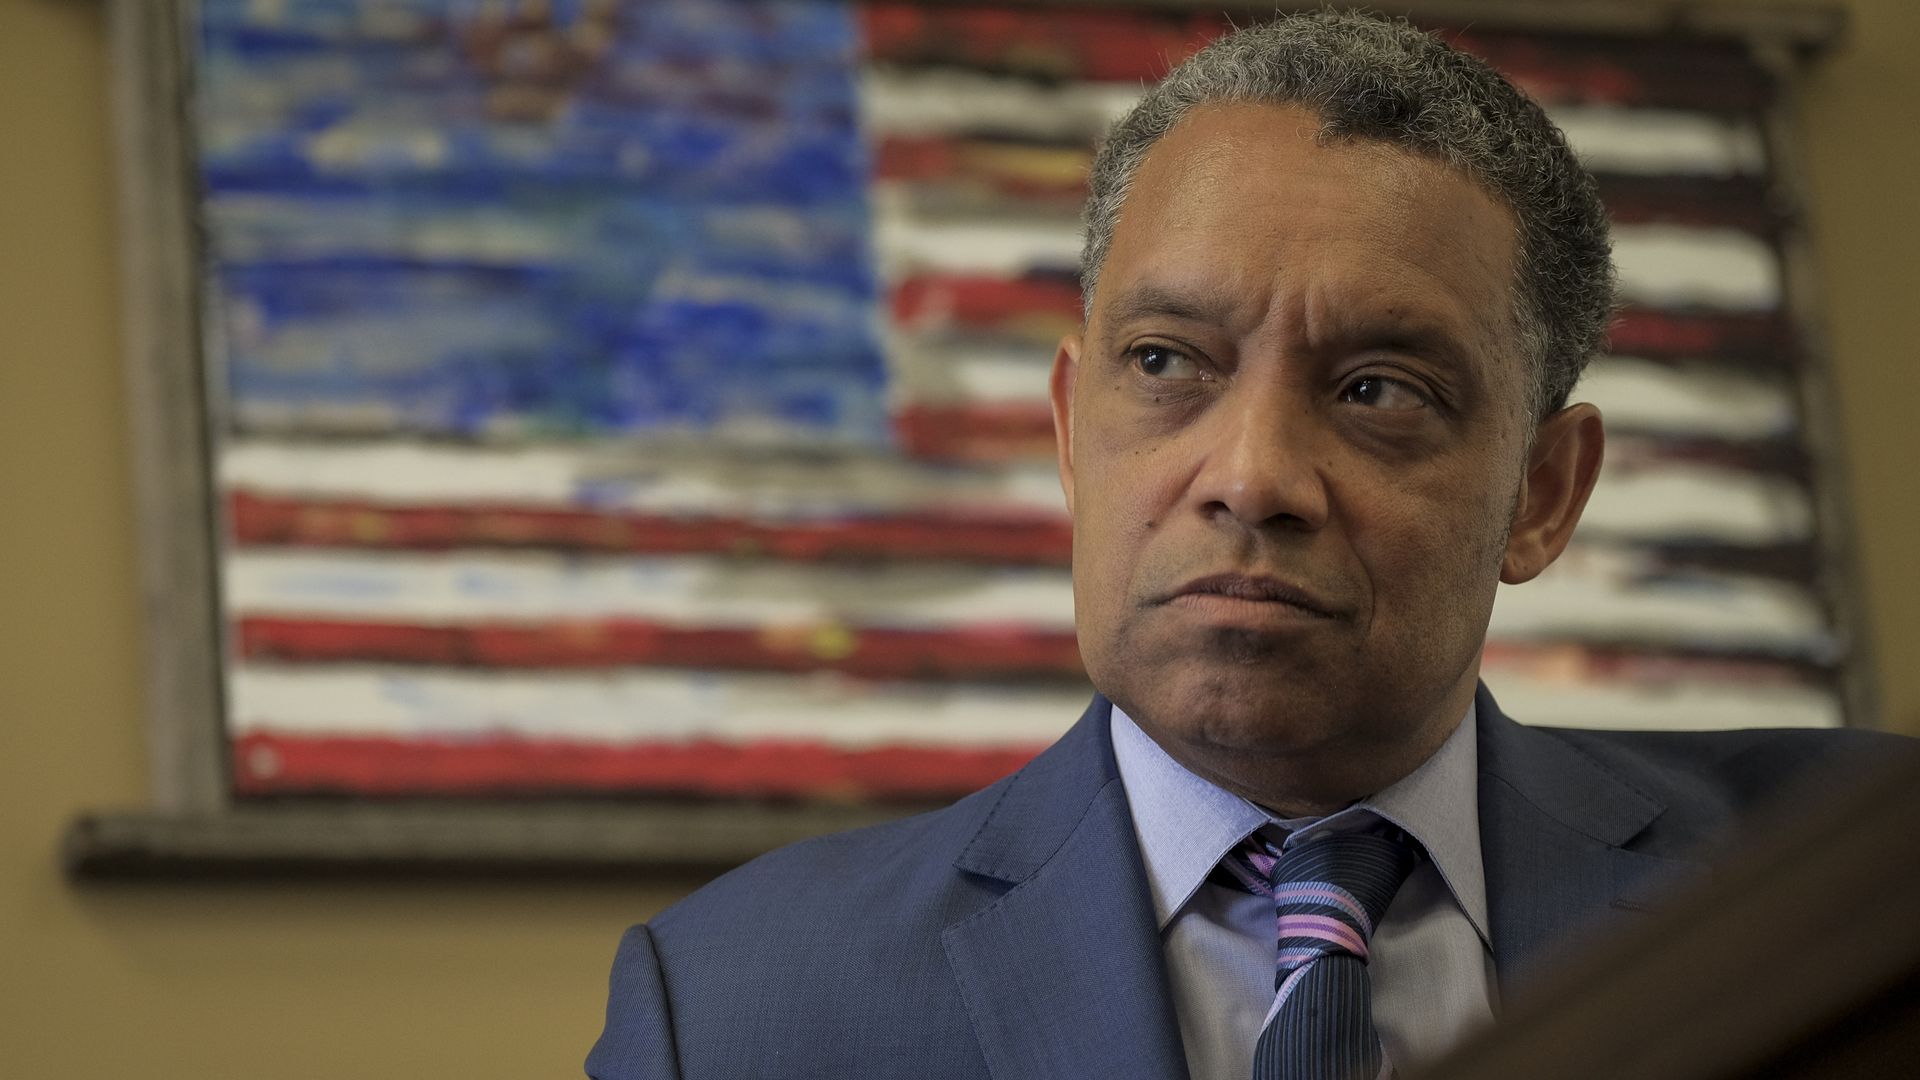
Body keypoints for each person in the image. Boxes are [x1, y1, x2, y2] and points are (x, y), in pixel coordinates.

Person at [587, 13, 1905, 1080]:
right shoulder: (734, 1013)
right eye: (1165, 363)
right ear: (1068, 429)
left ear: (1543, 494)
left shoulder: (1861, 889)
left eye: (1379, 389)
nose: (1254, 477)